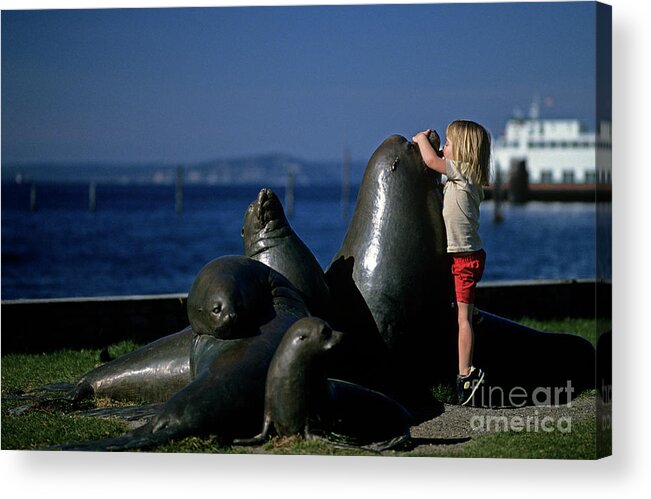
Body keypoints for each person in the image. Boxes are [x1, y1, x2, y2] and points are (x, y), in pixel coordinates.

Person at [412, 120, 491, 405]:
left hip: (465, 259)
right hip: (464, 256)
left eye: (448, 142)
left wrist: (420, 139)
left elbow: (431, 160)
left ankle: (466, 375)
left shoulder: (464, 172)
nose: (443, 147)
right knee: (460, 310)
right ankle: (474, 310)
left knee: (463, 321)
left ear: (464, 150)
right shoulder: (463, 177)